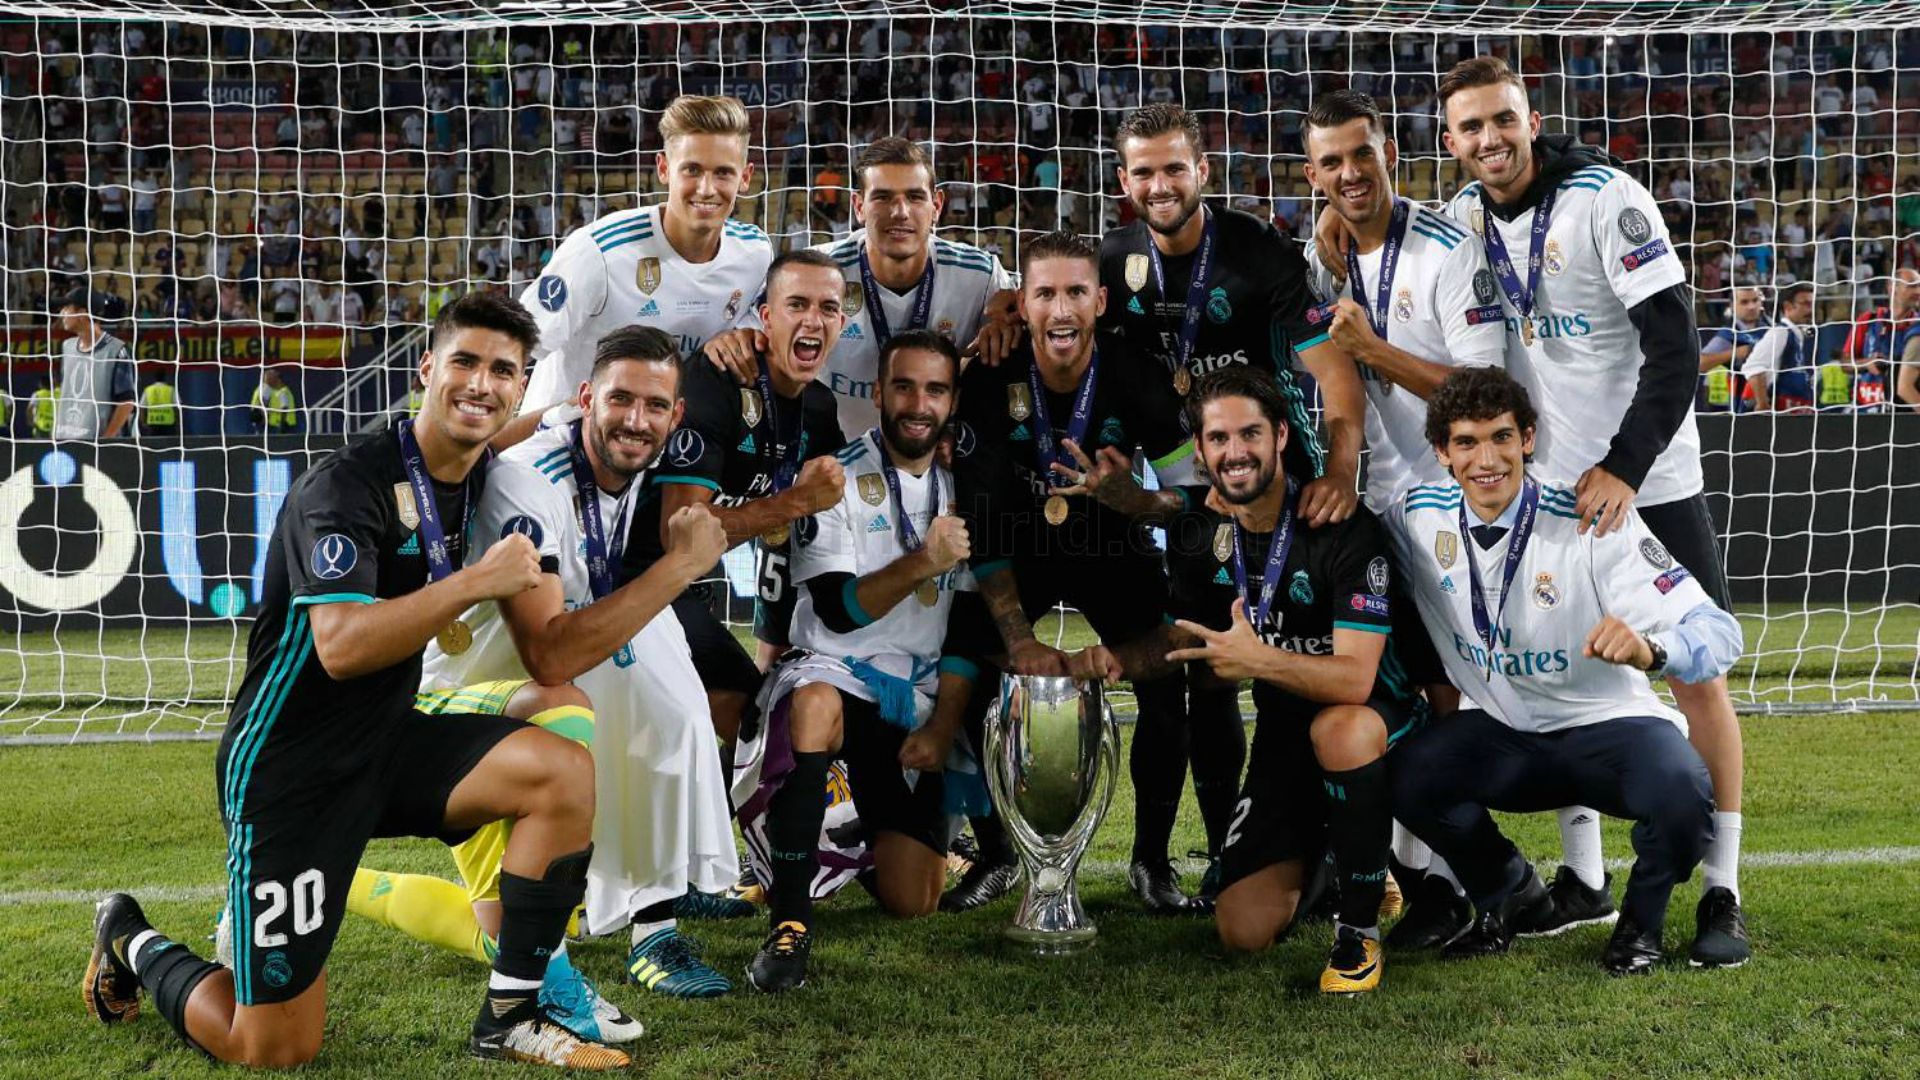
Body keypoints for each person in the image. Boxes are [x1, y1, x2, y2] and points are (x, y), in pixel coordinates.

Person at [83, 292, 629, 1069]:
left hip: (388, 743)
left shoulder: (482, 478)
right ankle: (128, 934)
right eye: (465, 362)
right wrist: (475, 582)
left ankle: (513, 1011)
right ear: (425, 370)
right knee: (270, 1046)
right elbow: (339, 647)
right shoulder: (345, 487)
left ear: (522, 385)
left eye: (503, 370)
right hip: (290, 770)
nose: (482, 382)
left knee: (561, 768)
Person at [1435, 55, 1749, 963]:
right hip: (1549, 487)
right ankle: (1582, 876)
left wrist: (1622, 465)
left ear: (1529, 118)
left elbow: (1678, 349)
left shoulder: (1609, 199)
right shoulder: (1464, 218)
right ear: (1449, 140)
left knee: (1696, 678)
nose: (1489, 139)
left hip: (1647, 478)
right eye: (1470, 127)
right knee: (1560, 665)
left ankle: (1723, 890)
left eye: (1502, 119)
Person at [347, 326, 735, 1022]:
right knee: (564, 703)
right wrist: (681, 565)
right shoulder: (534, 482)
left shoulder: (598, 447)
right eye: (620, 400)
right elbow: (550, 656)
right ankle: (545, 986)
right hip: (453, 704)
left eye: (654, 406)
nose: (635, 420)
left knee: (502, 928)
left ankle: (325, 879)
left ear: (676, 418)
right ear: (588, 397)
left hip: (501, 698)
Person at [1063, 366, 1435, 993]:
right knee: (1242, 929)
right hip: (1286, 737)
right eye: (1218, 440)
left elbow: (1353, 679)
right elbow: (1190, 636)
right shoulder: (1204, 532)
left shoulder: (1338, 523)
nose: (1235, 452)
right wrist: (1113, 659)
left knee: (1338, 729)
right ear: (1202, 454)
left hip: (1376, 720)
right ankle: (1329, 861)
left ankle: (1359, 932)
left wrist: (1258, 660)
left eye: (1250, 434)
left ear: (1282, 436)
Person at [1099, 103, 1368, 910]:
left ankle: (1259, 854)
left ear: (1203, 171)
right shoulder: (1112, 260)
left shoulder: (1257, 252)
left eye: (1173, 168)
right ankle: (1157, 859)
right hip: (1186, 492)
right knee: (1187, 667)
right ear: (1124, 183)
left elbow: (1337, 379)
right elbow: (1060, 316)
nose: (1159, 184)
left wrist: (1344, 472)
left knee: (1264, 677)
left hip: (1272, 493)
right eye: (1143, 171)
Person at [1386, 366, 1741, 975]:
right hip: (1505, 735)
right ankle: (1511, 892)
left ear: (1528, 438)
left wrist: (1650, 649)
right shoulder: (1415, 517)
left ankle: (1640, 924)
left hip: (1607, 730)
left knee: (1683, 790)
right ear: (1441, 452)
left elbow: (1719, 633)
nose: (1486, 459)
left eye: (1501, 437)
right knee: (1405, 773)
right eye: (1466, 443)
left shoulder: (1590, 518)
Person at [1300, 88, 1508, 948]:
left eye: (1362, 153)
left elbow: (1490, 394)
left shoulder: (1452, 250)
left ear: (1390, 150)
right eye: (1331, 162)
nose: (1351, 174)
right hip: (1371, 511)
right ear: (1312, 175)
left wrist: (1374, 350)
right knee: (1391, 694)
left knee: (1456, 694)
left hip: (1455, 514)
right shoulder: (1326, 258)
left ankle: (1467, 883)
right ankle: (1398, 875)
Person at [735, 330, 987, 992]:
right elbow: (839, 610)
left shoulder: (968, 488)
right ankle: (790, 925)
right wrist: (923, 561)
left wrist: (939, 729)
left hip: (918, 702)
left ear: (952, 400)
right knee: (813, 704)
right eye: (903, 386)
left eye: (935, 389)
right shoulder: (835, 478)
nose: (917, 403)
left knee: (914, 901)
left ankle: (844, 832)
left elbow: (969, 626)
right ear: (877, 393)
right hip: (837, 680)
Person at [950, 232, 1193, 909]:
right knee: (963, 667)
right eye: (1046, 293)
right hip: (1016, 548)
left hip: (1114, 546)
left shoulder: (1138, 372)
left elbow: (1193, 496)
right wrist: (1018, 639)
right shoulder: (990, 380)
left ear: (1101, 300)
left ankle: (1152, 862)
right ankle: (995, 854)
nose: (1062, 310)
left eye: (1076, 293)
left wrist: (1139, 501)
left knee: (1166, 687)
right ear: (1020, 305)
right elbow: (981, 519)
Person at [505, 94, 770, 449]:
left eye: (723, 173)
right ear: (663, 168)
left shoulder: (754, 254)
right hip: (560, 448)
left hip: (656, 451)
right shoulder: (598, 252)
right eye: (691, 170)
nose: (706, 189)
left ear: (745, 177)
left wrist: (740, 335)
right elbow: (512, 346)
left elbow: (756, 328)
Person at [52, 288, 135, 441]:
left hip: (96, 445)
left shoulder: (116, 350)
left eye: (66, 308)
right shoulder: (67, 346)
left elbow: (126, 402)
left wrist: (106, 440)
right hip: (64, 439)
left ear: (82, 313)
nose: (61, 313)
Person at [1740, 284, 1821, 412]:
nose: (1811, 310)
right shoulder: (1780, 332)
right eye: (1806, 304)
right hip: (1778, 416)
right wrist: (1763, 405)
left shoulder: (1796, 335)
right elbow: (1753, 367)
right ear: (1788, 307)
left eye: (1812, 304)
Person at [251, 368, 298, 433]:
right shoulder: (267, 389)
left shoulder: (281, 391)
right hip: (276, 423)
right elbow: (263, 405)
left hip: (281, 424)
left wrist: (282, 423)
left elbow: (284, 407)